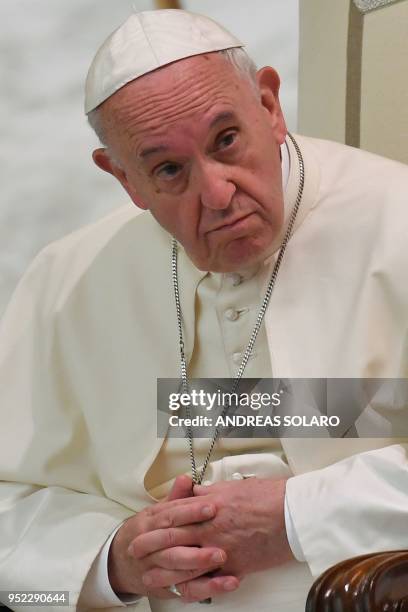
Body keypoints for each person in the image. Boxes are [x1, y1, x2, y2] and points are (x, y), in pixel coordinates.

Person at [0, 8, 407, 612]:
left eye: (226, 140)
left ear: (269, 106)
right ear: (124, 179)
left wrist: (301, 514)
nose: (218, 194)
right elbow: (14, 512)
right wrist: (109, 563)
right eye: (169, 169)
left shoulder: (396, 220)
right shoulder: (67, 281)